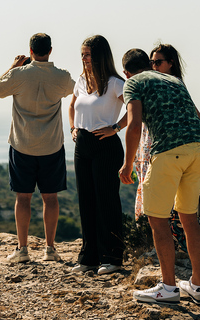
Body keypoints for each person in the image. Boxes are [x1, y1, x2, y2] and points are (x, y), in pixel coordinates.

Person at [119, 48, 200, 304]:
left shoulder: (134, 83)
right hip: (198, 149)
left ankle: (169, 288)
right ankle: (197, 286)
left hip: (169, 152)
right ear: (149, 64)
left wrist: (126, 166)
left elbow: (134, 124)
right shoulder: (174, 81)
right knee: (189, 219)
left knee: (158, 221)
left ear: (126, 72)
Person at [0, 33, 75, 263]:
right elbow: (76, 91)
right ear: (50, 50)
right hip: (52, 146)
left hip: (22, 145)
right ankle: (49, 249)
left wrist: (12, 66)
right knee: (51, 198)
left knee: (23, 198)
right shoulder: (62, 77)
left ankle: (23, 249)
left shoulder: (19, 75)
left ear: (30, 51)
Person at [68, 35, 126, 275]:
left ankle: (112, 257)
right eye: (82, 54)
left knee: (106, 202)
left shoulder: (115, 83)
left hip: (106, 145)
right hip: (82, 144)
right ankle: (89, 258)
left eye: (88, 54)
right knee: (86, 201)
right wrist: (72, 127)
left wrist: (116, 127)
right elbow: (72, 105)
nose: (84, 59)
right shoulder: (82, 80)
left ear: (100, 56)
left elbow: (136, 110)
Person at [134, 44, 200, 220]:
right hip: (155, 154)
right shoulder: (156, 87)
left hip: (165, 154)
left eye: (158, 62)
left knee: (161, 214)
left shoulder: (175, 88)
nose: (154, 66)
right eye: (151, 62)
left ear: (171, 63)